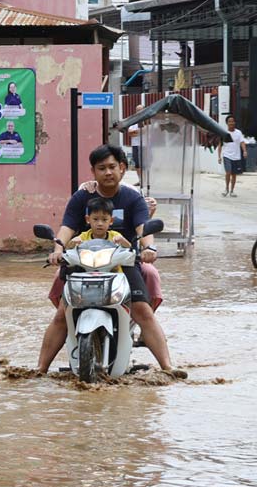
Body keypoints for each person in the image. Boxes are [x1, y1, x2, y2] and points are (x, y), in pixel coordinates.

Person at [37, 144, 180, 376]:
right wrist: (57, 249)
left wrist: (149, 247)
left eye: (112, 167)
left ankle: (168, 367)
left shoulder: (133, 197)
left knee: (143, 311)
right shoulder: (82, 196)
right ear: (93, 171)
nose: (108, 172)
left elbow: (144, 229)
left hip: (122, 263)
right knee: (62, 313)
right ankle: (40, 369)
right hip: (82, 263)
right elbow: (66, 228)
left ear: (122, 168)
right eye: (101, 168)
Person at [218, 115, 247, 197]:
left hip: (236, 156)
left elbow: (242, 142)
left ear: (235, 123)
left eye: (233, 121)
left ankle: (232, 191)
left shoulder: (238, 133)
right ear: (227, 123)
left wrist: (244, 151)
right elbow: (220, 145)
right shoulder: (224, 133)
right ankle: (226, 189)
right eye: (229, 121)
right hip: (226, 155)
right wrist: (219, 157)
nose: (231, 123)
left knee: (234, 174)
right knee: (228, 172)